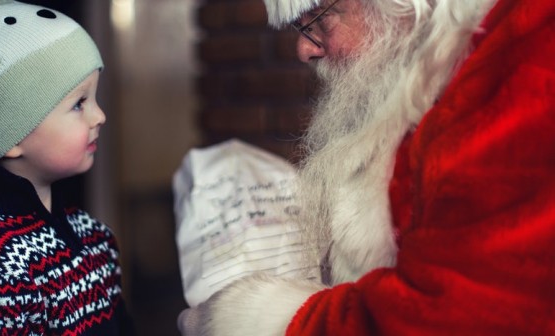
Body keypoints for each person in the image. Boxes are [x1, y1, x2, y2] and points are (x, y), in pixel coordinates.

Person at [178, 0, 555, 334]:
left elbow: (460, 313)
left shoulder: (532, 50)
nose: (304, 49)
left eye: (319, 18)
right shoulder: (445, 69)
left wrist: (264, 318)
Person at [0, 0, 132, 334]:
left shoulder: (93, 237)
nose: (99, 116)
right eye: (79, 103)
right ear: (10, 135)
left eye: (94, 99)